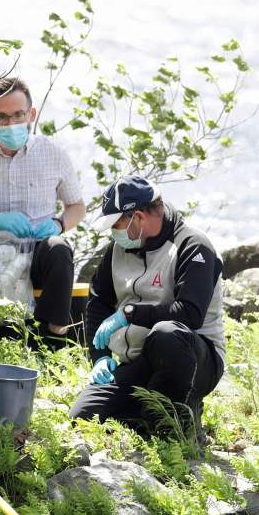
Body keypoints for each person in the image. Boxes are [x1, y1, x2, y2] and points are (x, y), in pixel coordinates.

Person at [70, 176, 225, 436]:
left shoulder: (193, 246)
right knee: (82, 417)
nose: (113, 233)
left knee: (167, 333)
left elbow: (189, 314)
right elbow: (98, 301)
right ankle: (148, 412)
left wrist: (130, 314)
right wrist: (100, 358)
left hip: (195, 359)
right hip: (139, 361)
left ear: (138, 217)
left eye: (117, 224)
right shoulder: (117, 249)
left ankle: (180, 413)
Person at [0, 76, 85, 346]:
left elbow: (77, 206)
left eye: (18, 115)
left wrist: (58, 224)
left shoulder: (53, 153)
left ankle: (53, 340)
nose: (10, 124)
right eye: (3, 118)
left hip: (38, 249)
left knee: (60, 249)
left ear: (31, 114)